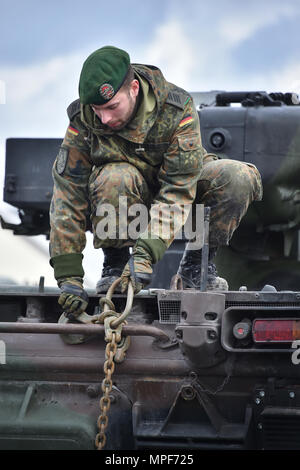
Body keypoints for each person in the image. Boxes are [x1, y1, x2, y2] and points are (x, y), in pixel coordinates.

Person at [49, 45, 262, 317]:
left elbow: (178, 188)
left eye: (112, 107)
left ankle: (196, 265)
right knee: (115, 176)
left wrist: (145, 255)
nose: (104, 118)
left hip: (180, 187)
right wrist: (69, 276)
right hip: (124, 190)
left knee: (236, 177)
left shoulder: (176, 108)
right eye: (97, 109)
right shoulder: (84, 119)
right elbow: (68, 194)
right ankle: (114, 262)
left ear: (134, 89)